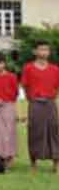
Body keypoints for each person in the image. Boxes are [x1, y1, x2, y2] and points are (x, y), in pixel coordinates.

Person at [21, 40, 59, 173]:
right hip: (35, 103)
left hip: (50, 103)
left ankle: (56, 162)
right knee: (34, 132)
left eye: (46, 49)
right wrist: (32, 99)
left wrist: (51, 97)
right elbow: (25, 86)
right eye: (41, 49)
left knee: (53, 131)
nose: (44, 52)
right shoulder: (28, 68)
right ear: (35, 51)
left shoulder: (55, 69)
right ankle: (33, 162)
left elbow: (56, 87)